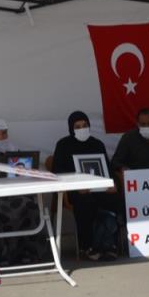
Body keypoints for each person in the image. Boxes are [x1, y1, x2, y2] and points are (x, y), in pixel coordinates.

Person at [0, 119, 50, 267]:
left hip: (15, 193)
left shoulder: (15, 150)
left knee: (29, 206)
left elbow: (26, 171)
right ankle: (1, 255)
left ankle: (29, 253)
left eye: (4, 133)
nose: (1, 137)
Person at [50, 111, 120, 261]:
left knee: (113, 199)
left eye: (85, 125)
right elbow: (58, 171)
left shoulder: (97, 144)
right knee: (85, 202)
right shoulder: (63, 145)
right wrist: (75, 186)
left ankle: (108, 244)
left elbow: (107, 168)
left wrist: (113, 183)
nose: (82, 129)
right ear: (71, 128)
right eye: (78, 126)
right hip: (76, 191)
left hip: (99, 189)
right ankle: (87, 246)